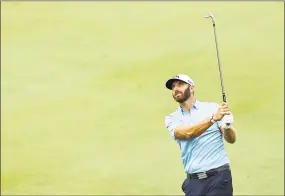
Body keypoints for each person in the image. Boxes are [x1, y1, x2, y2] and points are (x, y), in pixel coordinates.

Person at [164, 74, 237, 196]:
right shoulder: (171, 118)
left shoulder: (213, 108)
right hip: (194, 182)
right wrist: (213, 119)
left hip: (219, 176)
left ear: (192, 88)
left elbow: (231, 139)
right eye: (173, 86)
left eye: (180, 84)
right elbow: (187, 133)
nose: (176, 88)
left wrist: (228, 125)